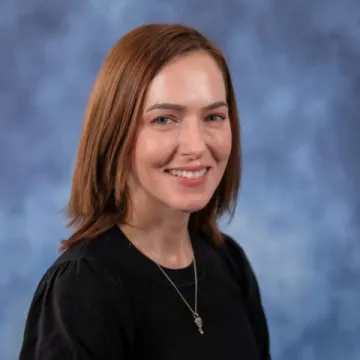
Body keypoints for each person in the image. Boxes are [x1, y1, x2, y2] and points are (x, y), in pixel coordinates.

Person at [19, 23, 271, 359]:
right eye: (164, 119)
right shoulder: (83, 288)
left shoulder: (228, 262)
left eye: (213, 117)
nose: (196, 146)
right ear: (116, 132)